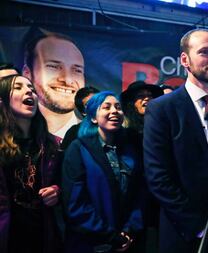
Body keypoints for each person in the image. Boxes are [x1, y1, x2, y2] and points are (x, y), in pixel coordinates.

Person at [144, 28, 208, 253]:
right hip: (189, 236)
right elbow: (158, 178)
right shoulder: (162, 109)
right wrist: (202, 225)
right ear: (185, 60)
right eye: (204, 52)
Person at [61, 91, 144, 253]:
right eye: (106, 107)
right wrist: (111, 236)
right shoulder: (78, 149)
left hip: (128, 240)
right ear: (93, 117)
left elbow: (139, 192)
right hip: (91, 243)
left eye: (118, 107)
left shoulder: (130, 149)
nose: (114, 111)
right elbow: (75, 204)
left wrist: (129, 230)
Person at [0, 75, 62, 253]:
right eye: (18, 87)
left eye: (32, 89)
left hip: (43, 236)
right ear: (2, 100)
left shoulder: (53, 145)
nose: (29, 91)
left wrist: (57, 190)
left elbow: (64, 184)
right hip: (8, 237)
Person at [120, 80, 163, 252]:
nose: (146, 99)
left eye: (149, 96)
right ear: (132, 103)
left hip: (162, 202)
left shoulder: (163, 128)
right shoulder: (125, 135)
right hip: (135, 204)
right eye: (140, 97)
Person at [23, 33, 85, 140]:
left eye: (77, 70)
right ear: (27, 73)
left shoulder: (96, 137)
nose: (68, 80)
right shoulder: (10, 135)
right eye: (53, 66)